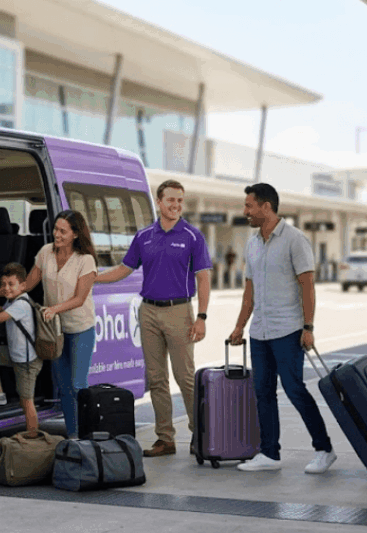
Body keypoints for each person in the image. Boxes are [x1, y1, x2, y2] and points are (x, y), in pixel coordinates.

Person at [94, 179, 211, 457]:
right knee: (157, 379)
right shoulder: (144, 236)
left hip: (179, 311)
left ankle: (201, 435)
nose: (176, 205)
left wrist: (202, 316)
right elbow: (124, 269)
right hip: (148, 312)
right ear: (159, 202)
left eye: (180, 200)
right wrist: (94, 278)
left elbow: (204, 278)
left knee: (184, 378)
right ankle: (165, 439)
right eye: (171, 200)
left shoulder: (193, 236)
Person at [229, 183, 337, 473]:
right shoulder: (252, 243)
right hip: (259, 332)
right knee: (262, 392)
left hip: (288, 330)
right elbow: (249, 292)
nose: (245, 211)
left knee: (294, 389)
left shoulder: (295, 240)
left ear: (266, 206)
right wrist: (240, 326)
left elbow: (307, 286)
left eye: (249, 206)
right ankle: (269, 454)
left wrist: (308, 326)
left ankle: (324, 449)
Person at [0, 210, 98, 439]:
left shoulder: (85, 260)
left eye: (63, 231)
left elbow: (80, 298)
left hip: (80, 329)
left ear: (75, 234)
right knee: (64, 387)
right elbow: (27, 284)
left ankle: (86, 433)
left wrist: (54, 309)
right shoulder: (46, 252)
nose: (57, 234)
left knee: (77, 385)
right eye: (55, 229)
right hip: (53, 332)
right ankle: (73, 435)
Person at [0, 263, 42, 436]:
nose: (6, 288)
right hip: (14, 355)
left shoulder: (22, 303)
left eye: (11, 284)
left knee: (26, 402)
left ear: (22, 285)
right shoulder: (13, 300)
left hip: (26, 363)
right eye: (3, 284)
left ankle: (33, 438)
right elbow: (0, 309)